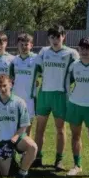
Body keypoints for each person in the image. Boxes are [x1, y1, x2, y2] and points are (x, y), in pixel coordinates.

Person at [33, 25, 80, 170]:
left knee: (60, 129)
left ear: (63, 36)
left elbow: (76, 74)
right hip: (44, 95)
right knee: (39, 128)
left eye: (58, 37)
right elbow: (38, 70)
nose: (55, 40)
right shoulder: (43, 52)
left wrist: (66, 85)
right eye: (52, 37)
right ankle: (37, 157)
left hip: (60, 95)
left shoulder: (71, 53)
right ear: (48, 38)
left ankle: (58, 160)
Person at [0, 74, 38, 178]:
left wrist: (14, 138)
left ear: (11, 84)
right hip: (3, 141)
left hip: (18, 138)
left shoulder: (19, 102)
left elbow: (24, 125)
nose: (2, 88)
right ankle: (13, 157)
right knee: (5, 174)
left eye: (5, 85)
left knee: (33, 147)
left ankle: (21, 175)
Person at [65, 37, 89, 178]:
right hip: (75, 106)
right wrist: (69, 98)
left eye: (88, 49)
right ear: (79, 49)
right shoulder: (74, 65)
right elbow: (68, 82)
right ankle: (77, 165)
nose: (85, 52)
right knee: (75, 136)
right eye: (82, 49)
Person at [9, 33, 41, 136]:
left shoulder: (37, 59)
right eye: (21, 44)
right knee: (14, 125)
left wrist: (37, 81)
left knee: (27, 127)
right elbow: (11, 79)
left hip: (30, 99)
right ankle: (13, 148)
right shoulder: (14, 61)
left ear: (31, 45)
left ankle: (26, 151)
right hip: (15, 98)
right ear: (17, 45)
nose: (23, 47)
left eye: (26, 44)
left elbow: (45, 73)